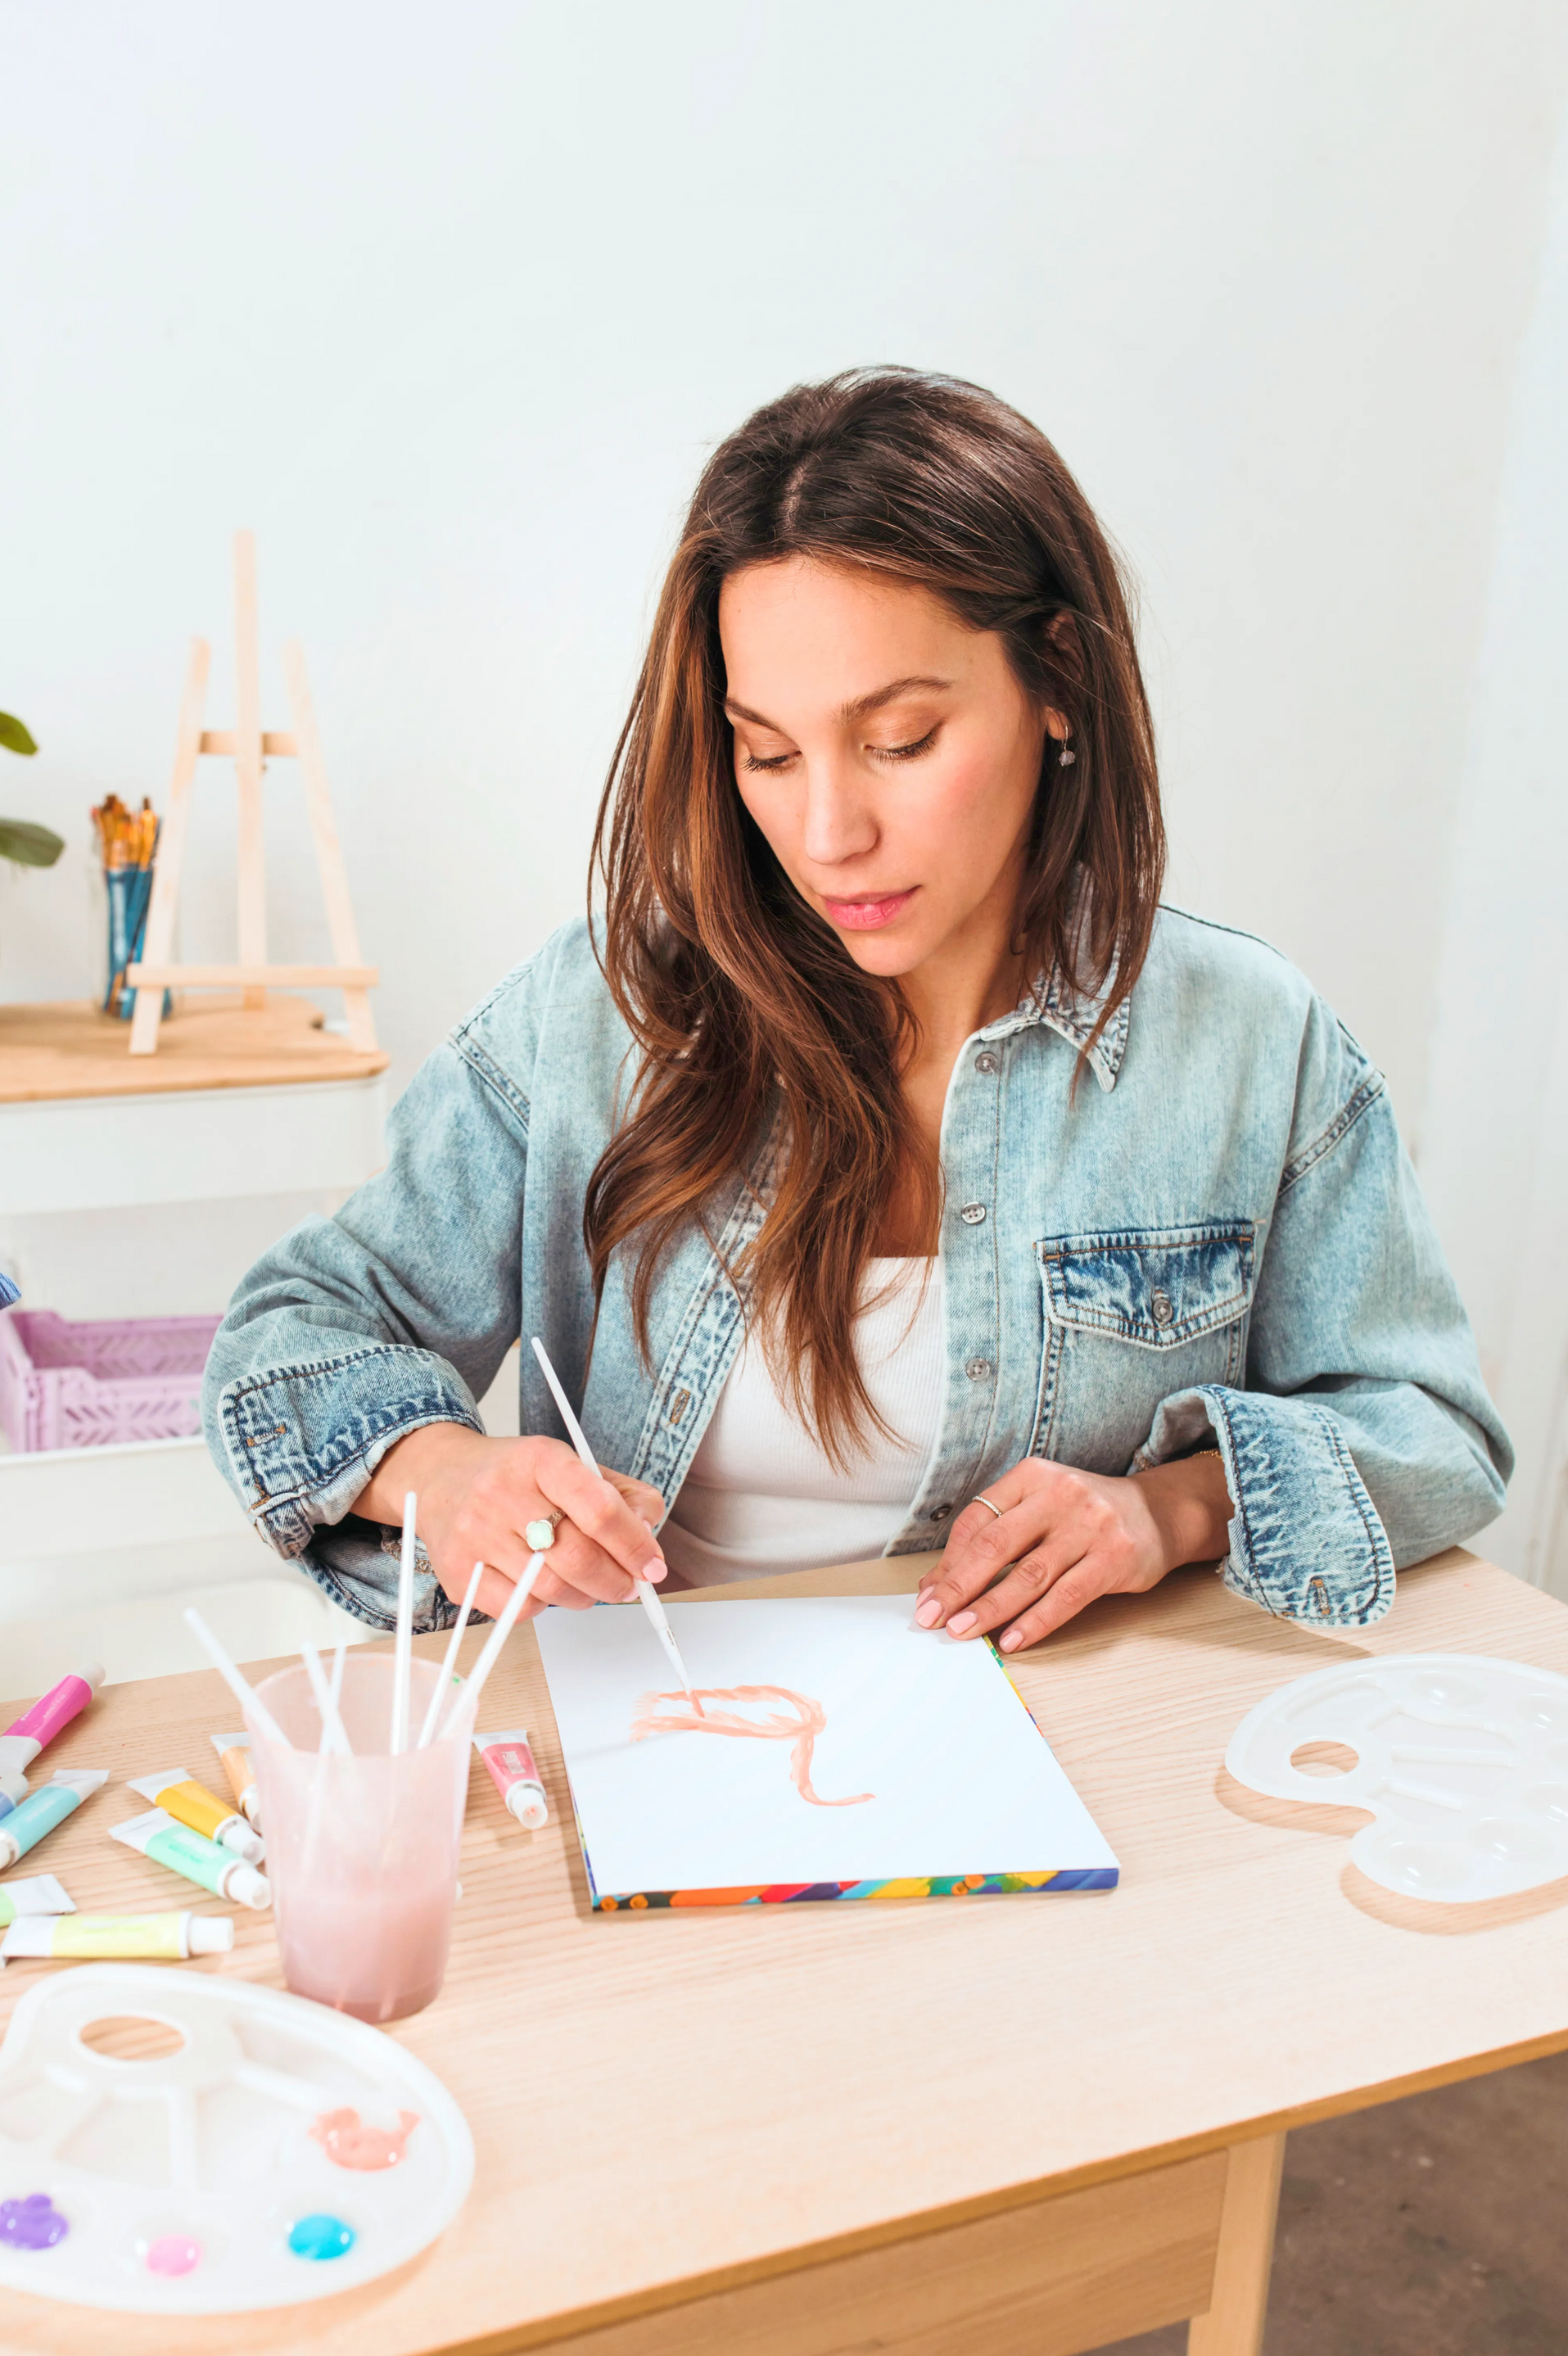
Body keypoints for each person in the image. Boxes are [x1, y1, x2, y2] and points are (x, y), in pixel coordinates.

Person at [202, 367, 1510, 1653]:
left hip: (1075, 1761)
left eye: (898, 740)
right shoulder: (603, 1016)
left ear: (1056, 682)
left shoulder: (1244, 1041)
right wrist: (436, 1469)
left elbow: (1432, 1431)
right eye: (766, 752)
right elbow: (288, 1335)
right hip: (654, 1736)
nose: (826, 833)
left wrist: (1166, 1511)